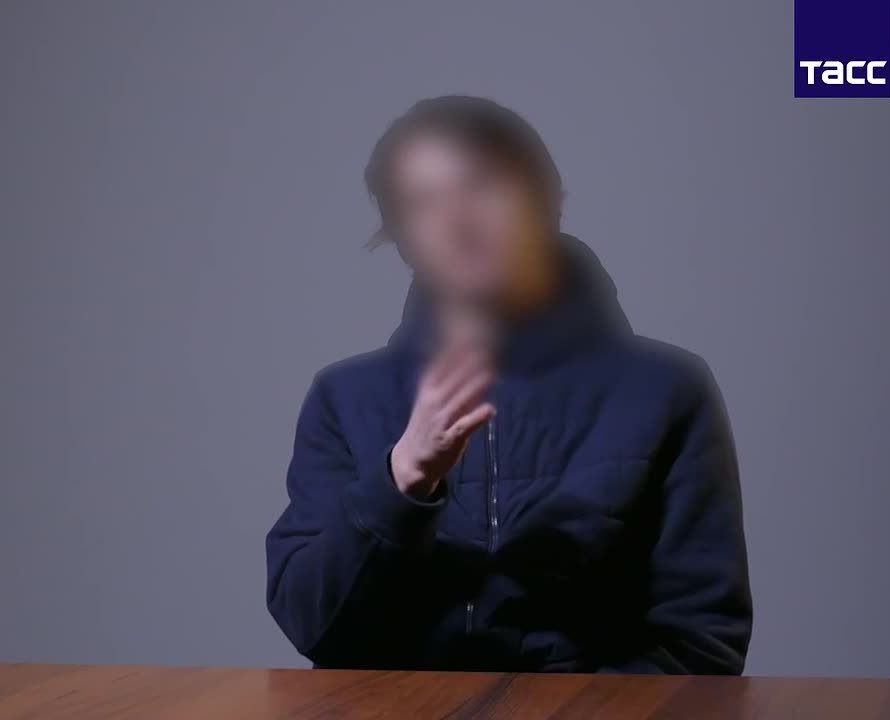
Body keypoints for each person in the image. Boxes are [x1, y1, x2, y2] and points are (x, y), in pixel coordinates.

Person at [265, 96, 752, 674]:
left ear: (546, 199)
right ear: (402, 239)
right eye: (422, 204)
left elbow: (701, 642)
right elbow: (313, 626)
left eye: (482, 185)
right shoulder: (345, 398)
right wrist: (402, 481)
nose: (458, 222)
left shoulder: (667, 390)